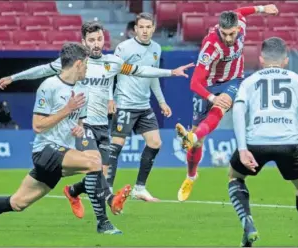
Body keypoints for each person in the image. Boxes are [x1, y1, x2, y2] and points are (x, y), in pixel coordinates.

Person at [0, 21, 193, 217]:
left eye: (99, 39)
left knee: (101, 174)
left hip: (102, 124)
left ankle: (73, 191)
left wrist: (171, 72)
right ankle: (107, 213)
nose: (96, 44)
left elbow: (139, 71)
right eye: (91, 40)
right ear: (83, 42)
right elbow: (42, 70)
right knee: (95, 166)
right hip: (83, 124)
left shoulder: (112, 63)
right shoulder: (74, 63)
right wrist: (13, 78)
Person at [0, 43, 123, 235]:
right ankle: (102, 221)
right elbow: (38, 126)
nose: (88, 68)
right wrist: (67, 109)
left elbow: (79, 123)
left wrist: (79, 130)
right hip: (45, 151)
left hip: (61, 152)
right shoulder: (49, 86)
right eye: (87, 64)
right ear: (78, 64)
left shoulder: (82, 91)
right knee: (95, 162)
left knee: (17, 203)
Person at [174, 4, 279, 202]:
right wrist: (212, 97)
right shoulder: (211, 47)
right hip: (207, 86)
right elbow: (195, 83)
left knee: (220, 107)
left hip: (233, 81)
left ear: (238, 28)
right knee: (197, 146)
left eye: (231, 34)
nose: (228, 38)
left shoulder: (240, 23)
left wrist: (264, 8)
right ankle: (191, 176)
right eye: (224, 33)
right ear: (219, 28)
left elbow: (241, 10)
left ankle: (192, 135)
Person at [228, 37, 298, 247]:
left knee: (234, 177)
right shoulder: (295, 79)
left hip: (255, 141)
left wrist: (242, 149)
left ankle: (247, 222)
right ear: (286, 60)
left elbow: (238, 113)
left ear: (261, 59)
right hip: (290, 141)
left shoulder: (249, 81)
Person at [106, 13, 172, 201]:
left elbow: (153, 77)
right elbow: (110, 72)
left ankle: (139, 188)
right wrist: (110, 98)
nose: (144, 30)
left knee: (155, 143)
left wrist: (161, 101)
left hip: (144, 105)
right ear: (135, 29)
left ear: (153, 28)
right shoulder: (124, 48)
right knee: (116, 146)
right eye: (141, 27)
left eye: (148, 27)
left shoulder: (156, 49)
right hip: (125, 104)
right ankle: (107, 189)